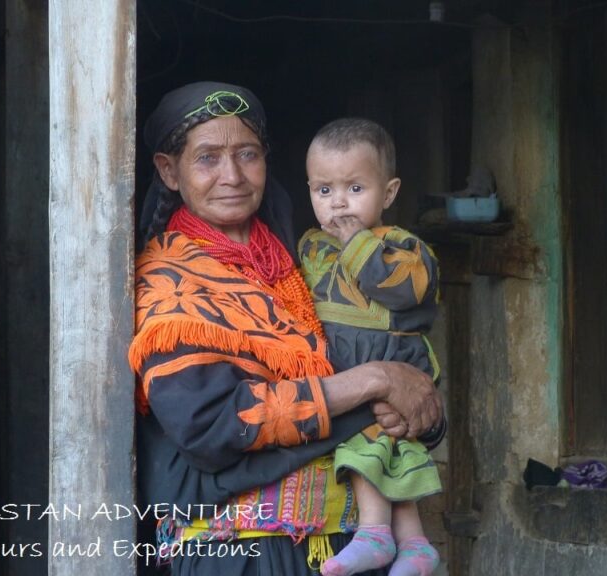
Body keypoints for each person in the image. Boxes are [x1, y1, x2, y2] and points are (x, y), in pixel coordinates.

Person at [130, 81, 445, 576]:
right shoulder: (168, 283)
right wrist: (377, 382)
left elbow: (394, 364)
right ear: (169, 171)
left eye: (247, 154)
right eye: (207, 158)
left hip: (351, 544)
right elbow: (211, 425)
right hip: (244, 553)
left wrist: (414, 407)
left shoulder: (302, 265)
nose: (232, 175)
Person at [298, 118, 443, 576]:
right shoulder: (309, 247)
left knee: (383, 443)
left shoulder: (404, 247)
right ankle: (415, 545)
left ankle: (378, 534)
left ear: (390, 192)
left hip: (392, 361)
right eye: (324, 190)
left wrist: (356, 243)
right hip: (344, 366)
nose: (338, 202)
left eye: (355, 188)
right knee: (377, 449)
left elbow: (410, 293)